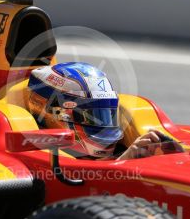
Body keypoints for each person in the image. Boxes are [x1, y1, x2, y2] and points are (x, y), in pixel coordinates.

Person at [27, 62, 177, 160]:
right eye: (90, 116)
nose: (104, 126)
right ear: (53, 111)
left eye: (106, 114)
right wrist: (123, 161)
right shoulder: (38, 155)